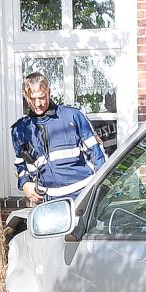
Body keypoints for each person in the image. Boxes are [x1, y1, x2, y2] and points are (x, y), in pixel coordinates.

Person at [11, 73, 106, 203]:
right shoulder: (19, 129)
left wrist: (103, 188)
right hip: (48, 200)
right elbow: (20, 164)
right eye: (32, 99)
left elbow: (97, 155)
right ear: (25, 97)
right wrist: (25, 184)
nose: (37, 104)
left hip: (84, 194)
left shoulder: (73, 116)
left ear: (49, 92)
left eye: (42, 97)